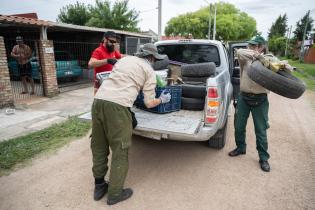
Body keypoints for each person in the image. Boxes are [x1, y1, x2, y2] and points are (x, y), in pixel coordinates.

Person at [91, 43, 171, 205]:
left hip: (99, 101)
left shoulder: (124, 61)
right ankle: (114, 194)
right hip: (117, 108)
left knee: (99, 145)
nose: (155, 62)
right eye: (155, 59)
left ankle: (99, 185)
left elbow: (120, 82)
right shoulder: (149, 71)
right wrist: (162, 99)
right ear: (151, 58)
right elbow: (149, 103)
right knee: (121, 150)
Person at [228, 35, 271, 172]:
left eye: (255, 45)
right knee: (239, 126)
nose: (251, 47)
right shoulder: (245, 58)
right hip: (244, 98)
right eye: (251, 45)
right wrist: (257, 55)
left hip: (261, 99)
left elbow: (283, 67)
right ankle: (241, 148)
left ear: (262, 46)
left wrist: (262, 58)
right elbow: (239, 52)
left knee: (261, 130)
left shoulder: (269, 59)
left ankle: (263, 158)